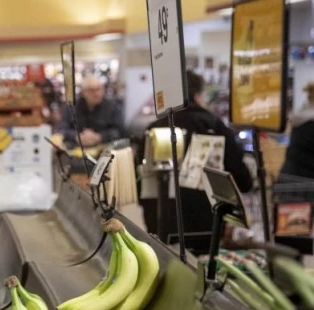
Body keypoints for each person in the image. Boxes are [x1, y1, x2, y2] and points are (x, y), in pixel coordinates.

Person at [142, 71, 254, 243]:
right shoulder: (214, 125)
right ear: (197, 95)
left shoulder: (154, 129)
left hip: (161, 219)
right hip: (205, 222)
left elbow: (141, 179)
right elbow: (241, 177)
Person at [60, 75, 125, 147]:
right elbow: (62, 129)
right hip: (76, 150)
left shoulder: (113, 107)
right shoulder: (71, 108)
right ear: (83, 92)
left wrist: (100, 137)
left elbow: (120, 131)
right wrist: (76, 136)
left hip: (104, 150)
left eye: (99, 89)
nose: (96, 94)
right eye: (91, 90)